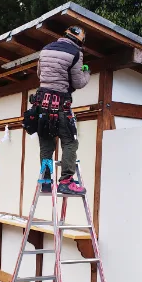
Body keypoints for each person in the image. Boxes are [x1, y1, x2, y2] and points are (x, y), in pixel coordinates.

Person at [33, 25, 91, 195]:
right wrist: (87, 72)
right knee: (70, 141)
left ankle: (45, 181)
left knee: (46, 144)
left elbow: (39, 73)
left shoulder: (45, 50)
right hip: (60, 105)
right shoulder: (75, 53)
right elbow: (79, 82)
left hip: (41, 104)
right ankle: (66, 182)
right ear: (80, 41)